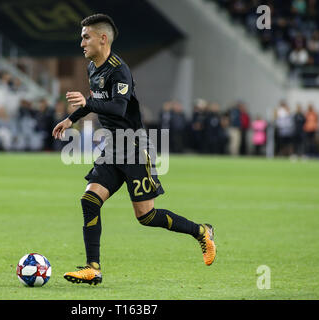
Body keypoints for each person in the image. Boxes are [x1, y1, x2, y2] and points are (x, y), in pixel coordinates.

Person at [52, 14, 216, 285]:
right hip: (112, 146)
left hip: (134, 146)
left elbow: (117, 107)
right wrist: (72, 118)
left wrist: (88, 105)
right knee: (89, 199)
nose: (81, 42)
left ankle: (202, 231)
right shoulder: (93, 67)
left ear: (103, 39)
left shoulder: (119, 70)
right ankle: (93, 267)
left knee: (146, 215)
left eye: (86, 36)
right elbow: (95, 101)